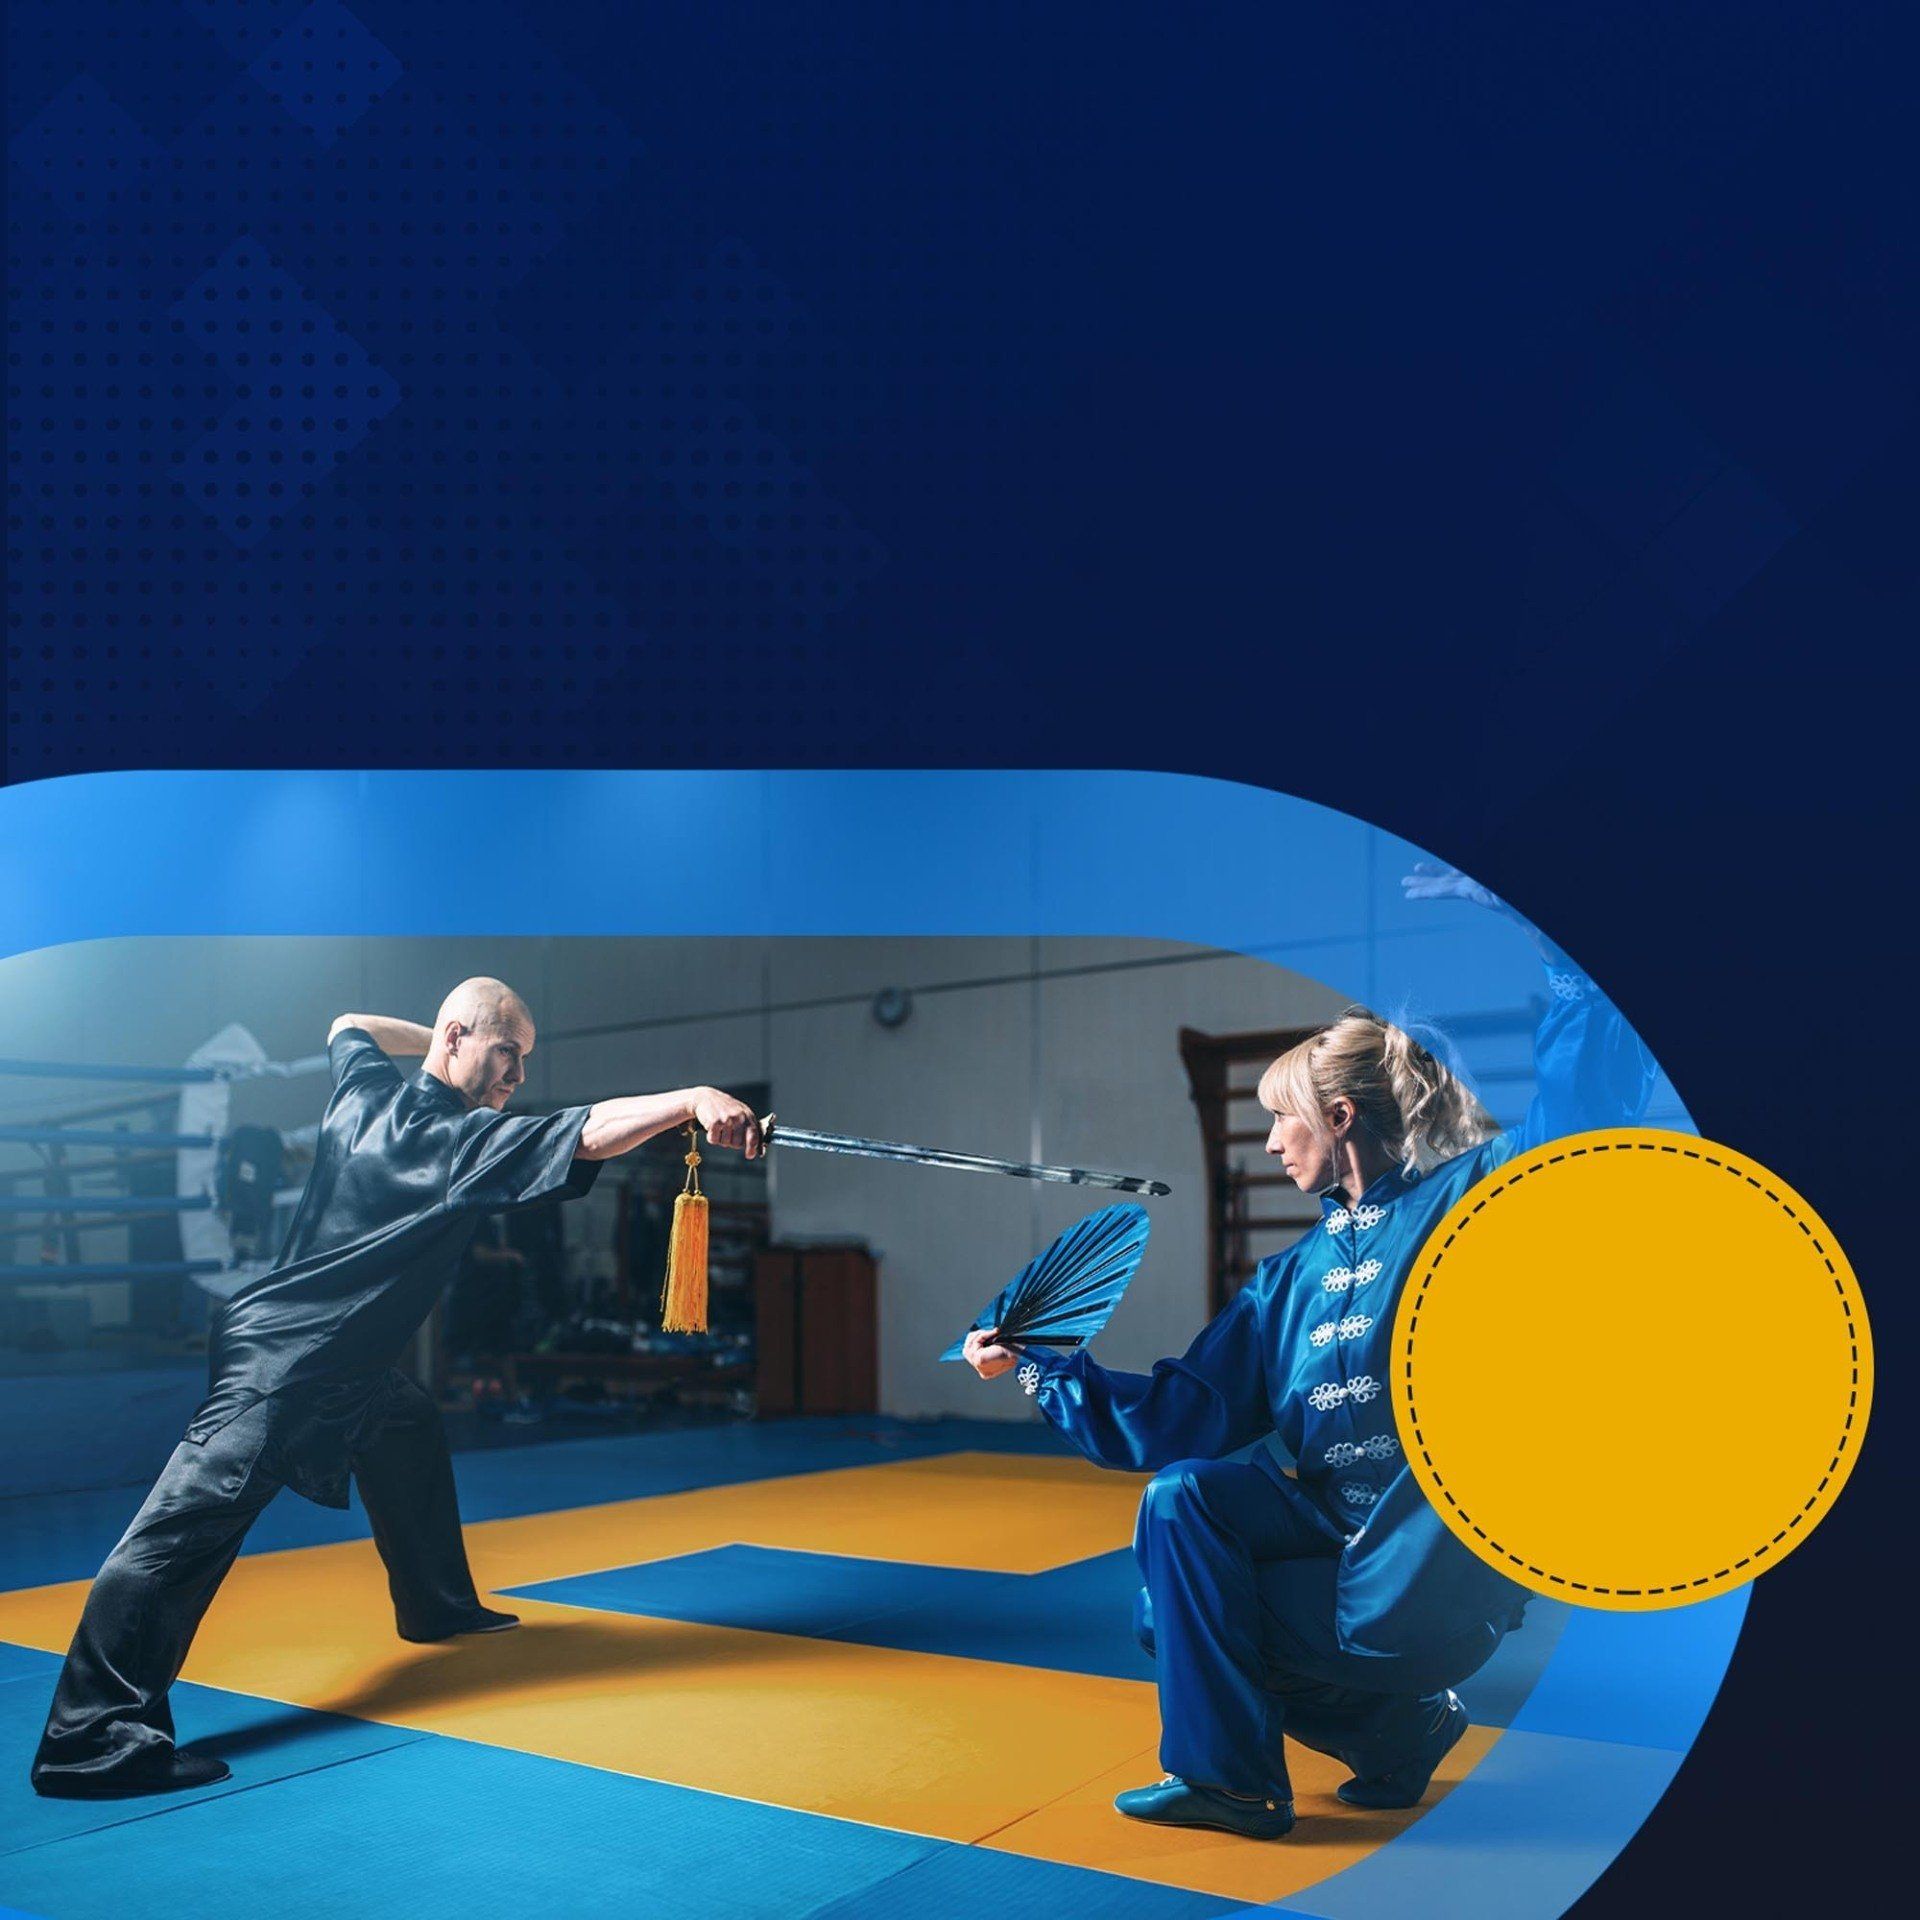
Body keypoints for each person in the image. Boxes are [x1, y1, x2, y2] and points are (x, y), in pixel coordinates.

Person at [965, 871, 1657, 1839]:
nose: (1268, 1140)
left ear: (1338, 1119)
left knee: (1203, 1609)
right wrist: (1041, 1363)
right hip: (1338, 1555)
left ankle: (1249, 1780)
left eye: (1282, 1116)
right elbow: (1175, 1417)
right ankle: (1394, 1735)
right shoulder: (1286, 1282)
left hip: (1431, 1578)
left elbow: (1582, 1130)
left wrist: (1557, 939)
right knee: (1176, 1576)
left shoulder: (1472, 1203)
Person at [31, 977, 763, 1799]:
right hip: (290, 1367)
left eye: (524, 1059)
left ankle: (437, 1605)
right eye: (505, 1053)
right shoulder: (455, 1144)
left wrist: (453, 1035)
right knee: (175, 1538)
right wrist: (692, 1098)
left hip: (337, 1363)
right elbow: (588, 1134)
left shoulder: (365, 1085)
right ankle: (89, 1741)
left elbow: (347, 1021)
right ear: (455, 1040)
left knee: (405, 1422)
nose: (516, 1076)